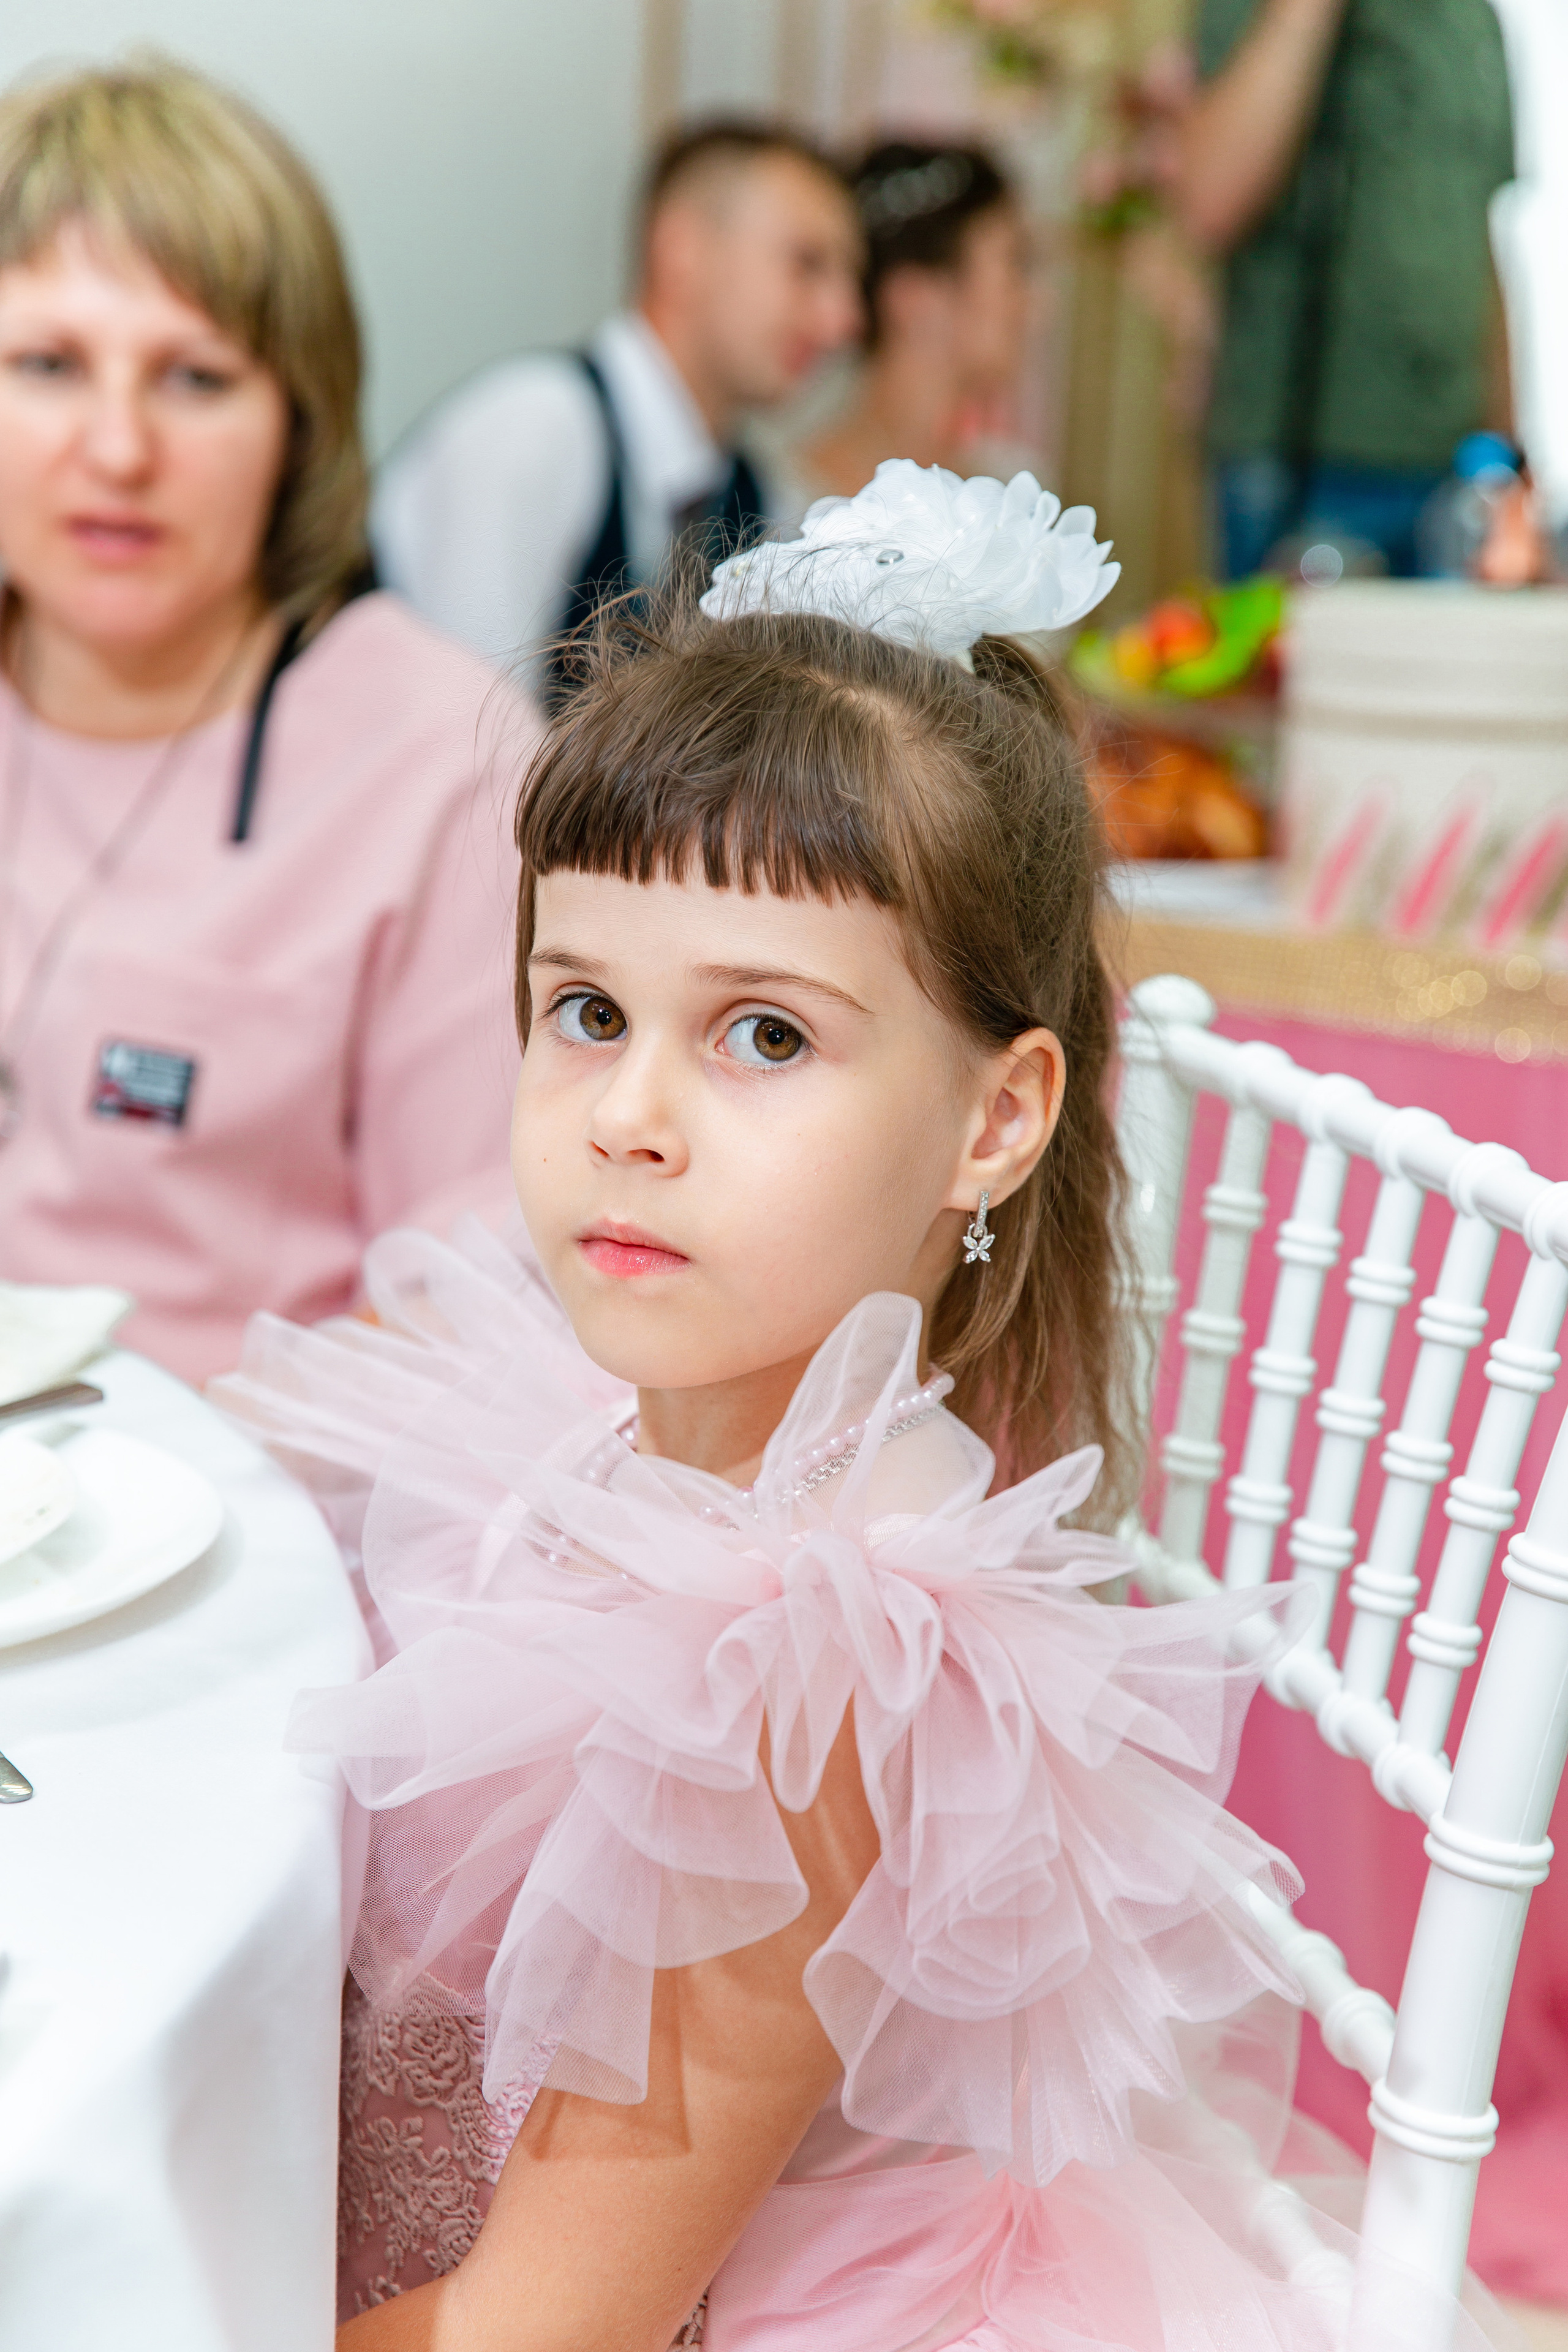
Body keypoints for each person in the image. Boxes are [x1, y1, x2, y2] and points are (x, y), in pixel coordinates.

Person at [219, 464, 1517, 2348]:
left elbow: (543, 2326)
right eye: (585, 1007)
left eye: (764, 1034)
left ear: (995, 1118)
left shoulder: (807, 1681)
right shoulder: (627, 1446)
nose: (627, 1114)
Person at [0, 62, 537, 1385]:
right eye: (49, 365)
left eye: (194, 378)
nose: (117, 450)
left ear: (298, 423)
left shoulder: (442, 763)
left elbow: (478, 1303)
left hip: (242, 1530)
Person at [372, 118, 863, 700]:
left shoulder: (765, 498)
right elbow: (466, 745)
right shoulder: (533, 432)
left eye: (852, 280)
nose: (843, 320)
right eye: (807, 264)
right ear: (681, 250)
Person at [1176, 0, 1516, 580]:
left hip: (1451, 474)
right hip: (1305, 464)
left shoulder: (1471, 16)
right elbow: (1209, 203)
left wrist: (1507, 462)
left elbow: (1476, 242)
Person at [799, 140, 1034, 502]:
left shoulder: (1014, 491)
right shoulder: (786, 500)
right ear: (915, 299)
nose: (1034, 303)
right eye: (1014, 265)